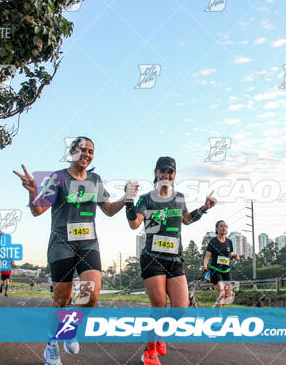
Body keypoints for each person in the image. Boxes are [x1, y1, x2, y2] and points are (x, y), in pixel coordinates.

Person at [14, 136, 135, 365]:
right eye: (82, 150)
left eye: (91, 151)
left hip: (88, 242)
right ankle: (51, 345)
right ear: (72, 151)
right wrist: (32, 191)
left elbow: (108, 210)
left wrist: (126, 198)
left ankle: (69, 328)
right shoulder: (58, 178)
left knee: (92, 294)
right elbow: (38, 210)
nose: (87, 155)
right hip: (62, 242)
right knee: (61, 299)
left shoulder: (95, 180)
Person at [126, 156, 216, 365]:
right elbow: (134, 223)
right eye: (162, 171)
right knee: (159, 305)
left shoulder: (179, 198)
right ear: (156, 173)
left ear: (174, 175)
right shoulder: (147, 199)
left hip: (175, 260)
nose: (166, 175)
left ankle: (158, 335)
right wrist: (129, 200)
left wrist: (204, 208)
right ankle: (148, 351)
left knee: (180, 310)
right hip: (152, 258)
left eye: (170, 171)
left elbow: (186, 219)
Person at [203, 220, 239, 308]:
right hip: (215, 270)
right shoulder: (213, 241)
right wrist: (205, 265)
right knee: (221, 292)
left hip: (226, 270)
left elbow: (229, 254)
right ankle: (218, 316)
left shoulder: (229, 242)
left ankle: (215, 307)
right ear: (217, 229)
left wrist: (234, 256)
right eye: (221, 226)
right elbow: (207, 256)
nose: (224, 228)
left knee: (229, 296)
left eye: (225, 226)